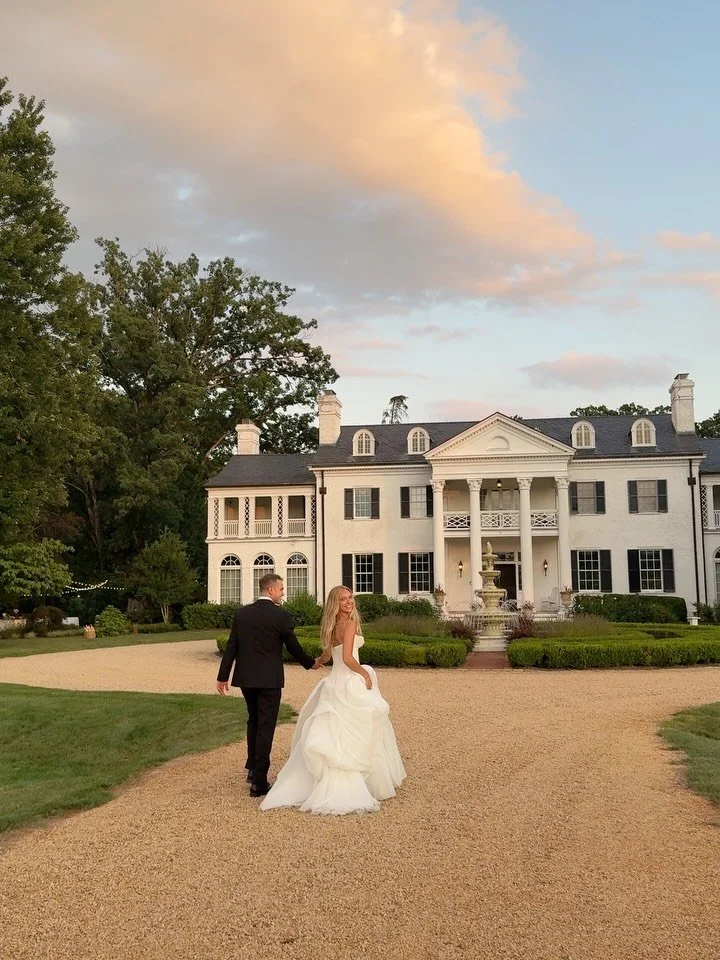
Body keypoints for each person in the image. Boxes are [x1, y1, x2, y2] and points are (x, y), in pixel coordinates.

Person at [260, 585, 406, 815]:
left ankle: (331, 779)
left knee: (337, 730)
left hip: (334, 682)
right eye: (343, 599)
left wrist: (317, 662)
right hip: (348, 681)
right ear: (335, 603)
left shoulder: (330, 626)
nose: (349, 602)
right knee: (364, 726)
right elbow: (347, 658)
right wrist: (365, 673)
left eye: (351, 597)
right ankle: (361, 780)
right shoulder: (350, 625)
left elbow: (329, 656)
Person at [216, 573, 321, 797]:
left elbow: (232, 646)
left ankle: (253, 769)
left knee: (253, 720)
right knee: (265, 726)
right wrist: (310, 663)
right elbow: (294, 646)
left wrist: (222, 676)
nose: (284, 593)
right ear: (271, 590)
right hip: (269, 681)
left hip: (246, 679)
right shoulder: (280, 616)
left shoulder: (242, 614)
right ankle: (260, 782)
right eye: (282, 589)